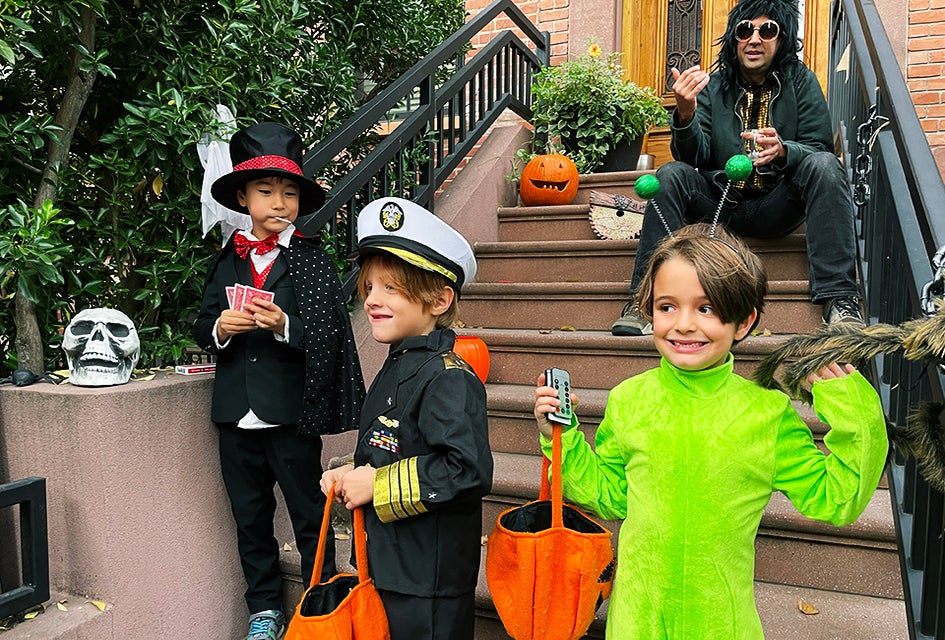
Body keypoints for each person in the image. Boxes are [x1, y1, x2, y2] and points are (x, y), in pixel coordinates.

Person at [536, 224, 888, 638]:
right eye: (667, 306)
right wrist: (562, 437)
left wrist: (855, 411)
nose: (684, 324)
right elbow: (611, 495)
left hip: (721, 621)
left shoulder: (767, 412)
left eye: (706, 308)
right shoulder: (629, 399)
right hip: (639, 617)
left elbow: (836, 499)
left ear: (744, 321)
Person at [194, 121, 365, 640]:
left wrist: (286, 326)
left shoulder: (312, 260)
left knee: (310, 511)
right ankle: (264, 610)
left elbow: (331, 330)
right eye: (265, 191)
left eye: (289, 192)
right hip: (234, 415)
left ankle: (325, 600)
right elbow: (204, 324)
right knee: (250, 519)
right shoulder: (227, 259)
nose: (279, 203)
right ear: (243, 197)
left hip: (291, 414)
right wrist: (222, 328)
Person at [612, 0, 864, 336]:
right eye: (745, 30)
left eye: (767, 30)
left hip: (777, 206)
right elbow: (693, 158)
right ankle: (644, 302)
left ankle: (840, 299)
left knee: (825, 165)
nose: (755, 39)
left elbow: (819, 149)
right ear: (735, 38)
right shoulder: (713, 88)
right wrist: (685, 114)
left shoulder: (801, 81)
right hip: (720, 204)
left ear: (782, 37)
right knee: (671, 174)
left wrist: (785, 150)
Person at [320, 196, 493, 640]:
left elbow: (466, 469)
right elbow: (390, 446)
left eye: (391, 288)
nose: (372, 299)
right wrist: (351, 476)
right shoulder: (399, 361)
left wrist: (375, 485)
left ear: (439, 299)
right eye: (370, 286)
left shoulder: (449, 377)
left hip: (426, 584)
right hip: (388, 565)